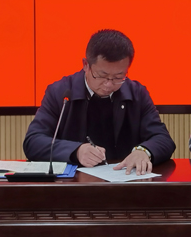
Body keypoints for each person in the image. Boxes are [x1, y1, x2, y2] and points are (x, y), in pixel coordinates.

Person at [24, 29, 175, 175]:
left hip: (124, 181)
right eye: (101, 75)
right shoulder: (61, 93)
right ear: (86, 65)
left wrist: (143, 151)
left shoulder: (136, 93)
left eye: (118, 77)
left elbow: (163, 139)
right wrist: (76, 151)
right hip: (73, 185)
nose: (109, 84)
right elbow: (33, 142)